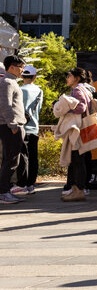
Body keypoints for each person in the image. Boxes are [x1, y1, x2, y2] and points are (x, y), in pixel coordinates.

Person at [59, 67, 92, 202]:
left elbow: (81, 107)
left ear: (76, 78)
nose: (67, 78)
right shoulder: (84, 88)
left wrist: (65, 109)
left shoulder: (78, 90)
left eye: (69, 76)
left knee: (77, 160)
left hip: (77, 129)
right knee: (78, 159)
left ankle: (79, 190)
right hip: (82, 128)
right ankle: (76, 189)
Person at [0, 56, 27, 205]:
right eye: (21, 66)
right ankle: (3, 193)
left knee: (10, 160)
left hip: (13, 126)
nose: (23, 70)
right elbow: (6, 105)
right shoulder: (7, 82)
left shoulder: (11, 82)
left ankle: (5, 190)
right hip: (10, 127)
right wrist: (13, 125)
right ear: (12, 67)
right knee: (11, 161)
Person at [12, 64, 43, 196]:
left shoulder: (19, 89)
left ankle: (22, 184)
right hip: (34, 127)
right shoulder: (39, 91)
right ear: (34, 77)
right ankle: (31, 184)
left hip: (22, 127)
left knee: (23, 156)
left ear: (23, 76)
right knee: (33, 157)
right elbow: (39, 108)